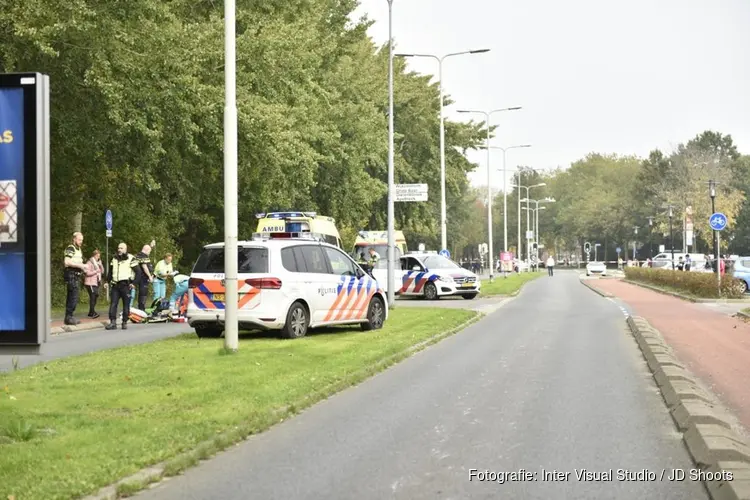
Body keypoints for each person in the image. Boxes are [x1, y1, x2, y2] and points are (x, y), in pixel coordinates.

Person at [105, 242, 135, 330]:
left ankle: (124, 322)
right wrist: (107, 281)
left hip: (126, 285)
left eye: (121, 248)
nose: (119, 250)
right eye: (118, 248)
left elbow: (138, 271)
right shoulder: (114, 258)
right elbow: (110, 271)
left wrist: (133, 283)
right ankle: (113, 322)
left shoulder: (131, 258)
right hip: (115, 285)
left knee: (126, 305)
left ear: (125, 250)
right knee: (113, 304)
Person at [63, 232, 87, 325]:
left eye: (82, 240)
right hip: (71, 274)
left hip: (76, 274)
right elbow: (66, 262)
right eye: (79, 240)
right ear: (74, 239)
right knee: (73, 296)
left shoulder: (79, 249)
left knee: (73, 296)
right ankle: (69, 317)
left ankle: (69, 317)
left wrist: (83, 268)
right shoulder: (70, 248)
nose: (81, 242)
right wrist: (80, 265)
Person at [131, 242, 155, 310]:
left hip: (141, 277)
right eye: (149, 252)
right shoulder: (142, 256)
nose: (150, 253)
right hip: (142, 278)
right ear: (146, 250)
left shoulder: (140, 255)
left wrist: (151, 245)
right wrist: (150, 276)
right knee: (143, 293)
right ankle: (141, 308)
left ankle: (140, 307)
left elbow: (148, 247)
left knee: (142, 293)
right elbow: (144, 267)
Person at [83, 249, 104, 318]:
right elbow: (87, 273)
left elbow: (102, 271)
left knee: (96, 295)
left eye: (99, 256)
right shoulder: (89, 263)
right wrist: (95, 271)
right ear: (94, 255)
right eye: (97, 256)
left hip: (96, 282)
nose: (98, 257)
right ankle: (92, 312)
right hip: (90, 282)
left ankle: (91, 312)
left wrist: (100, 265)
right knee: (93, 296)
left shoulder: (98, 263)